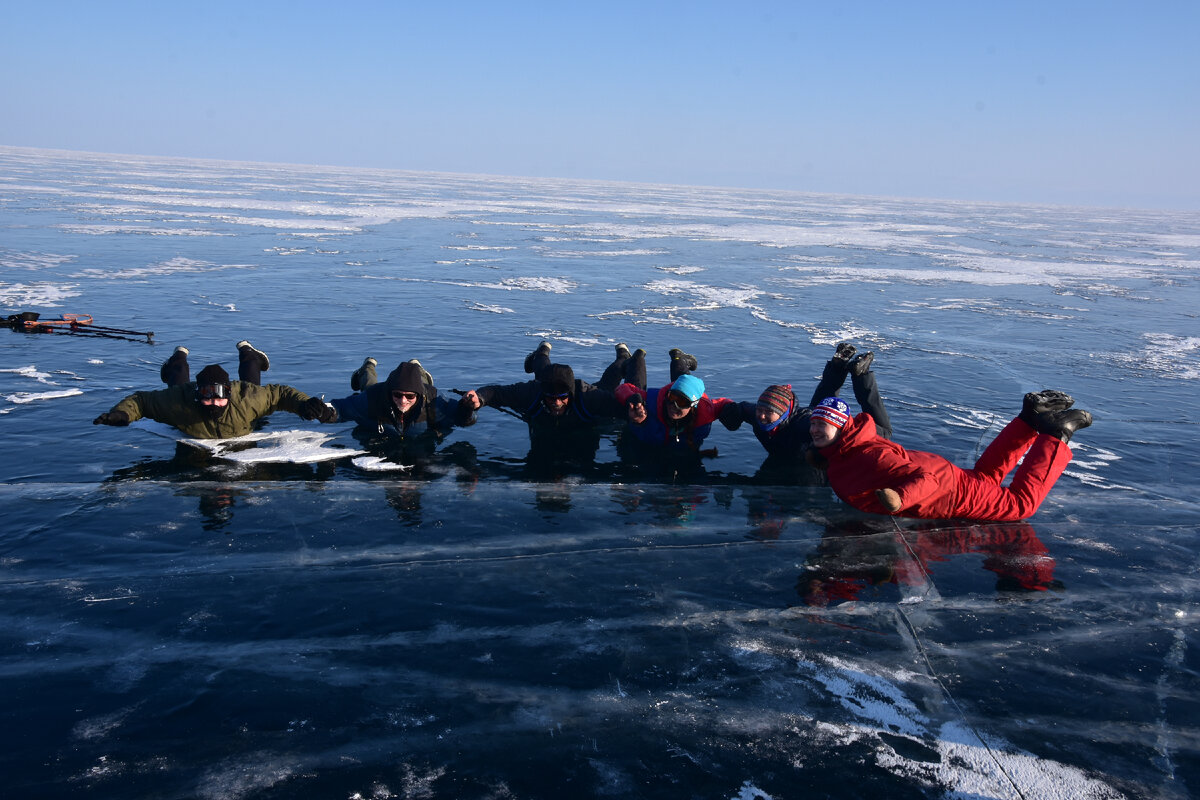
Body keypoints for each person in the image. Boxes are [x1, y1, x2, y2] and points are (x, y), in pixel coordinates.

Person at [809, 390, 1093, 522]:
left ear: (842, 427)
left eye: (822, 425)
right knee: (986, 478)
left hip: (947, 493)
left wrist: (900, 499)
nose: (814, 430)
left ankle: (1056, 434)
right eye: (813, 423)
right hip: (947, 478)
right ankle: (1030, 419)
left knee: (1020, 505)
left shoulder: (868, 455)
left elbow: (926, 480)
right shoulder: (848, 448)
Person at [93, 341, 334, 438]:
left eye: (220, 398)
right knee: (177, 382)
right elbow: (141, 401)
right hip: (186, 398)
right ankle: (178, 356)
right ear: (198, 395)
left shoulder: (246, 399)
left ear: (229, 394)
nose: (214, 403)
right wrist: (122, 414)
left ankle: (249, 354)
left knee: (253, 388)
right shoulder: (180, 402)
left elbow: (281, 395)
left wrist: (304, 404)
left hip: (244, 405)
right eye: (206, 398)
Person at [722, 342, 893, 475]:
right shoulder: (754, 413)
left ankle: (861, 374)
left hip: (808, 451)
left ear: (782, 414)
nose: (762, 416)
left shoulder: (804, 426)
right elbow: (737, 408)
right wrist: (727, 413)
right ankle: (837, 365)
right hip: (795, 441)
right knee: (819, 405)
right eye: (760, 410)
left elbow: (850, 432)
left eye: (769, 412)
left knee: (884, 432)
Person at [457, 341, 625, 458]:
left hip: (584, 428)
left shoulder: (588, 396)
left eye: (561, 397)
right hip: (544, 418)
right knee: (544, 373)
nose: (557, 403)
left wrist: (637, 413)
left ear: (570, 394)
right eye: (551, 397)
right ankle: (542, 352)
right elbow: (497, 392)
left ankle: (623, 358)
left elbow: (622, 408)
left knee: (607, 385)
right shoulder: (533, 391)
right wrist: (479, 397)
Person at [327, 357, 474, 440]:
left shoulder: (433, 399)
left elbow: (462, 416)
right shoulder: (373, 398)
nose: (403, 401)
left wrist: (466, 411)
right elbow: (340, 408)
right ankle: (367, 367)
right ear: (390, 392)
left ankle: (417, 368)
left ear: (418, 395)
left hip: (421, 390)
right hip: (378, 393)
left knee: (419, 383)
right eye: (397, 395)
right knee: (369, 387)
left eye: (409, 396)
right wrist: (325, 412)